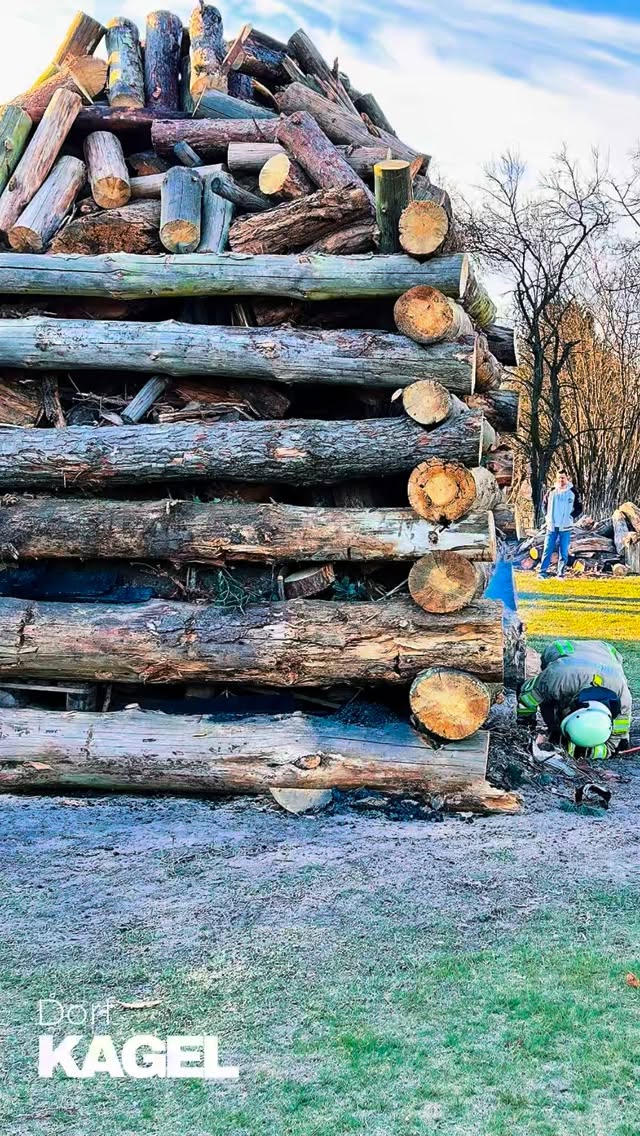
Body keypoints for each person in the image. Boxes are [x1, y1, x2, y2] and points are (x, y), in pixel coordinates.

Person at [517, 639, 632, 760]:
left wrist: (597, 751)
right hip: (563, 648)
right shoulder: (555, 680)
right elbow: (526, 696)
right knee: (548, 701)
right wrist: (526, 724)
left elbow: (618, 737)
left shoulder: (623, 699)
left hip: (606, 651)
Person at [539, 470, 581, 579]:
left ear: (567, 478)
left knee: (563, 551)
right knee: (547, 549)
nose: (561, 480)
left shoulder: (572, 492)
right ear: (556, 479)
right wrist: (547, 517)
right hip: (552, 527)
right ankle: (542, 572)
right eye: (559, 478)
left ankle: (560, 574)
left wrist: (571, 516)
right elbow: (544, 505)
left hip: (565, 527)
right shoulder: (551, 491)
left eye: (563, 478)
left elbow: (579, 508)